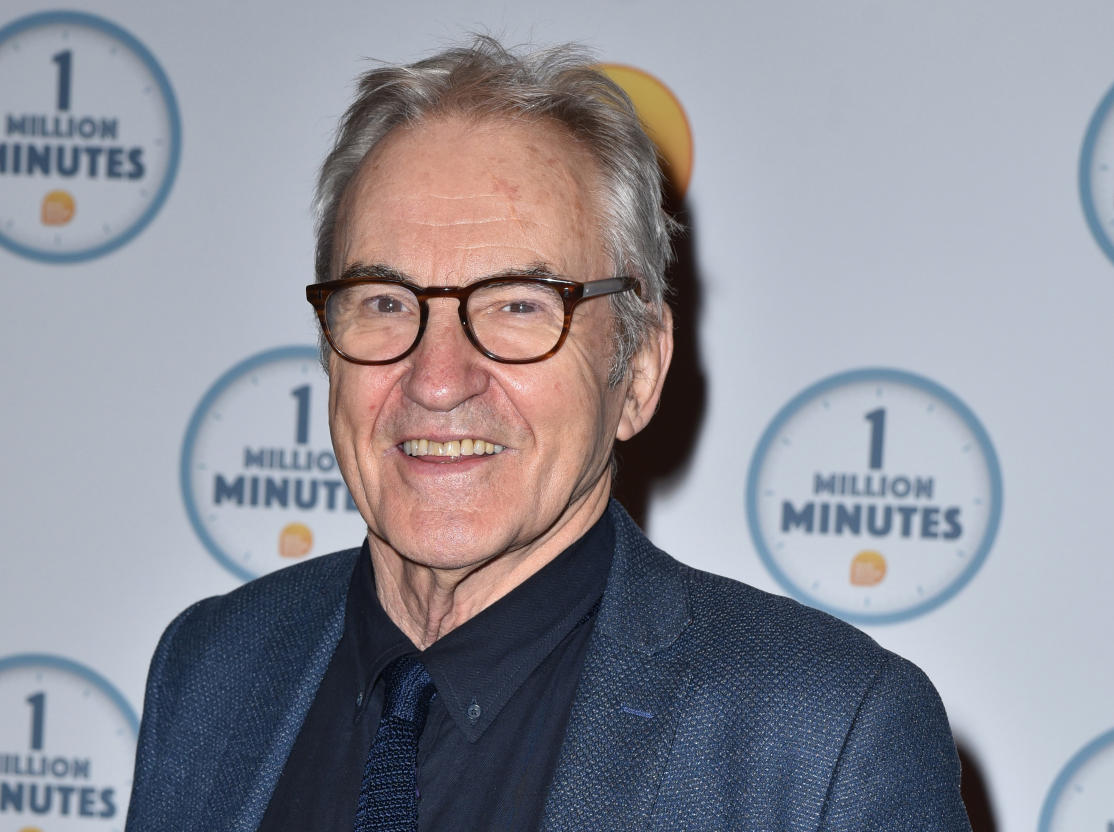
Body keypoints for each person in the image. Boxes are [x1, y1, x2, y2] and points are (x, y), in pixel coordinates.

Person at [126, 37, 971, 832]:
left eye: (519, 307)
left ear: (636, 373)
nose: (438, 378)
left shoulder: (825, 739)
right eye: (386, 303)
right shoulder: (210, 669)